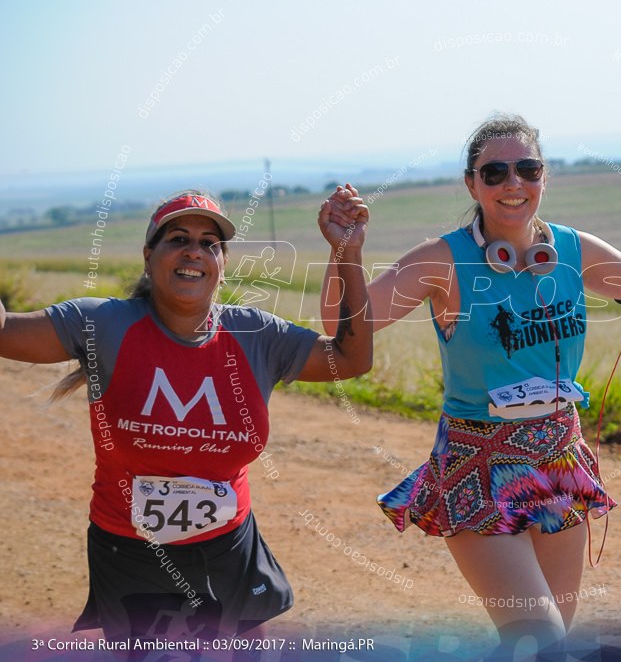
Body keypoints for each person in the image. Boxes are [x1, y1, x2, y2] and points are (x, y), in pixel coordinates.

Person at [319, 113, 621, 657]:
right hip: (478, 464)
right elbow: (343, 325)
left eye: (527, 168)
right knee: (537, 637)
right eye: (494, 172)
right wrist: (344, 253)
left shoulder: (573, 248)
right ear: (471, 184)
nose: (512, 183)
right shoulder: (441, 261)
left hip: (558, 458)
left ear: (544, 177)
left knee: (553, 641)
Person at [0, 190, 371, 646]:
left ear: (221, 262)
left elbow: (350, 359)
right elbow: (5, 333)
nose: (194, 250)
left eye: (209, 243)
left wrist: (347, 251)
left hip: (230, 548)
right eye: (178, 238)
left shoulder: (256, 334)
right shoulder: (102, 324)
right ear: (149, 256)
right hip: (134, 553)